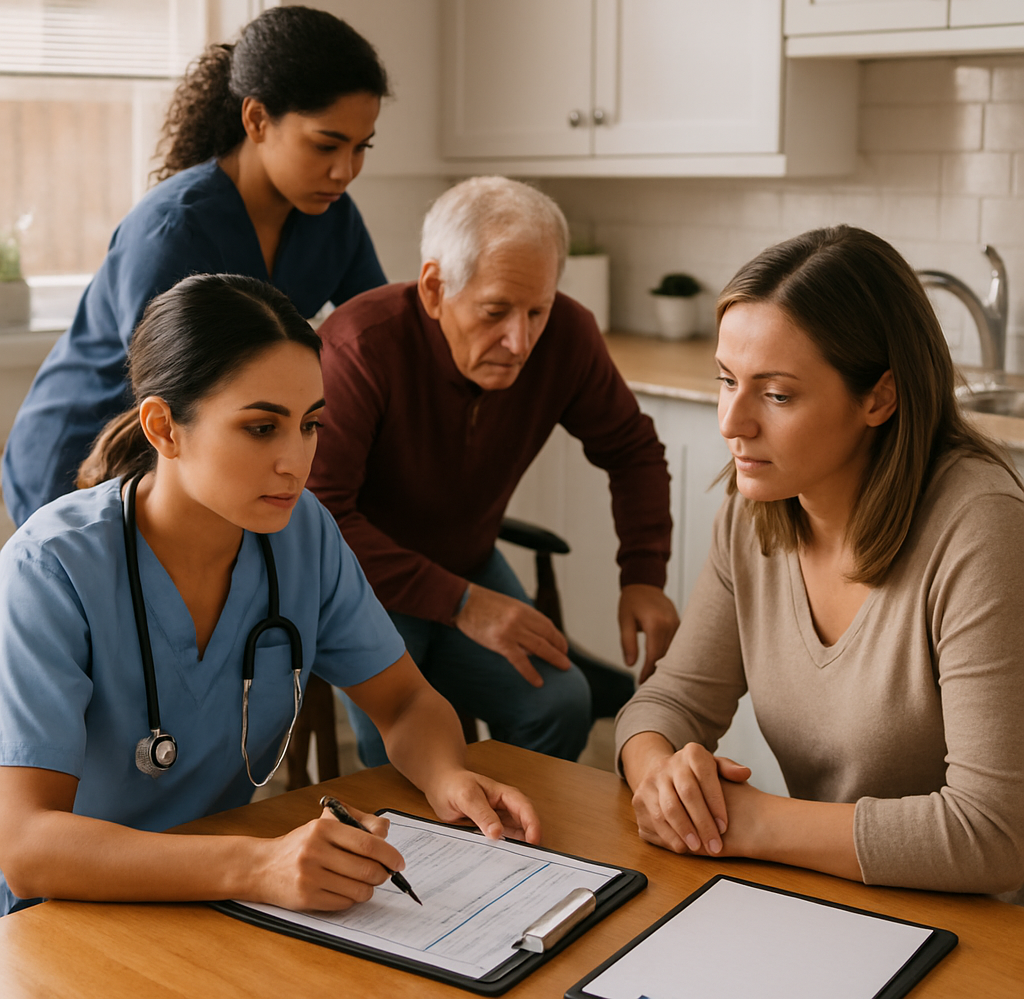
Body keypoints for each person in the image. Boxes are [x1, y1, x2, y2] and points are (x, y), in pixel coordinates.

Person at [0, 274, 539, 918]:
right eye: (261, 428)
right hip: (63, 916)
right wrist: (257, 864)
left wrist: (448, 775)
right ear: (164, 428)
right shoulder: (50, 568)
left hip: (211, 896)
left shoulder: (302, 532)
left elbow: (403, 702)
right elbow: (28, 847)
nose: (296, 461)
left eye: (310, 425)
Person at [615, 225, 1024, 897]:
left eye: (776, 395)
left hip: (983, 930)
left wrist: (751, 825)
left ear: (879, 398)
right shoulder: (754, 513)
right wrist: (658, 772)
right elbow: (673, 696)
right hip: (829, 897)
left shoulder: (980, 528)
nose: (733, 422)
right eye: (726, 381)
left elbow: (995, 835)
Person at [307, 176, 680, 769]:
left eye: (538, 310)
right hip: (361, 584)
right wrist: (462, 604)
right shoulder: (358, 349)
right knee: (404, 749)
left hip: (469, 562)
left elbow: (632, 449)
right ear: (434, 289)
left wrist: (644, 573)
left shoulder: (568, 336)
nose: (520, 340)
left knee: (561, 704)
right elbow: (319, 521)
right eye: (495, 311)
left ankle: (516, 852)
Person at [2, 5, 390, 527]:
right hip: (83, 455)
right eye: (326, 144)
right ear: (256, 120)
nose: (345, 171)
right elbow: (175, 394)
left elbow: (378, 337)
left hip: (198, 455)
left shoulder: (332, 218)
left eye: (360, 147)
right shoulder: (173, 231)